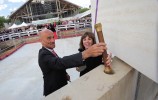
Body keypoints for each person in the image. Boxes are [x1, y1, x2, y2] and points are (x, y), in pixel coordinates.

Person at [38, 29, 110, 96]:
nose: (53, 40)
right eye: (49, 38)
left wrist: (64, 74)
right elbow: (59, 62)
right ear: (41, 40)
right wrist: (86, 53)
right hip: (54, 90)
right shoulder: (43, 54)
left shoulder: (49, 51)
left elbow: (55, 65)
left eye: (53, 37)